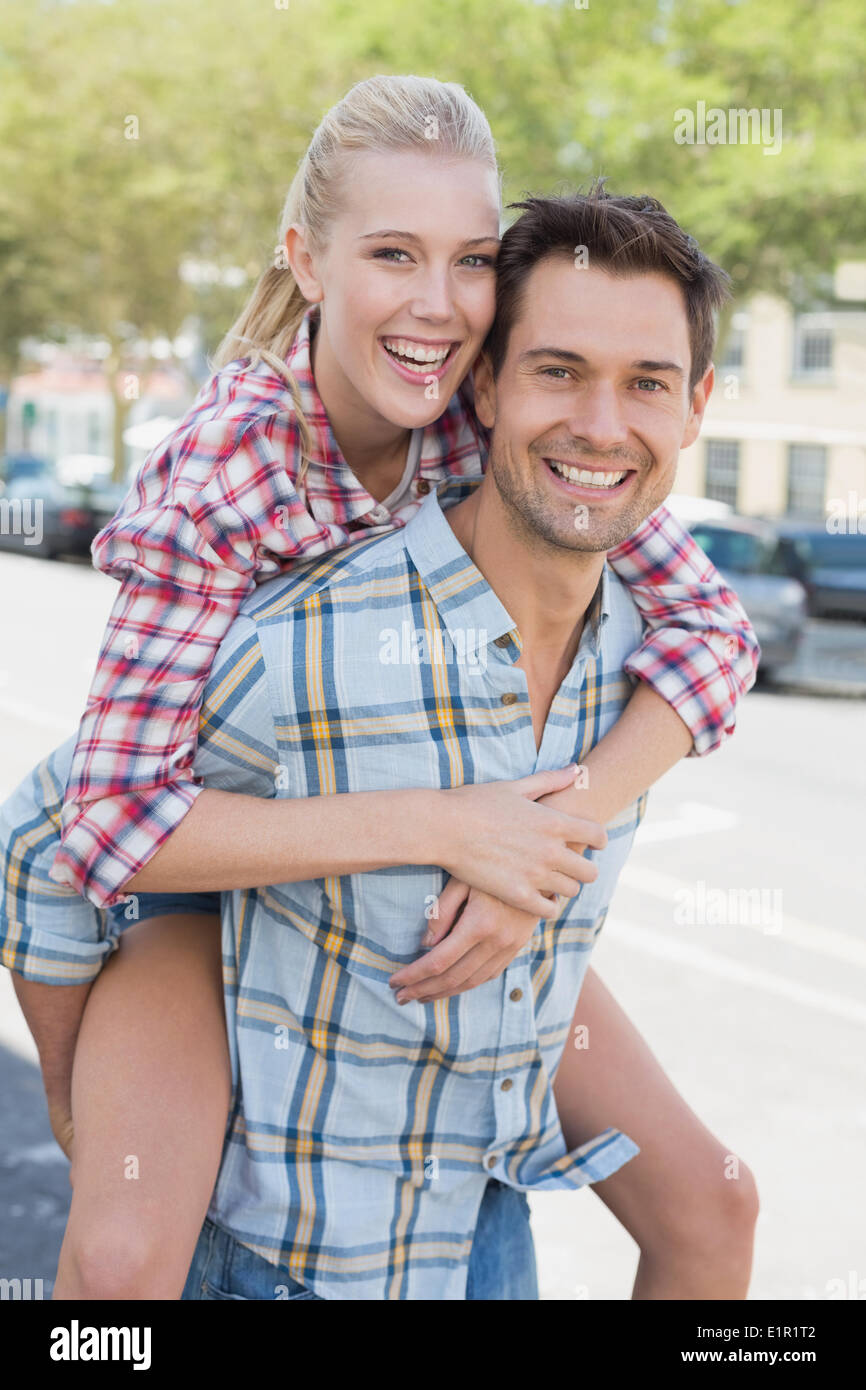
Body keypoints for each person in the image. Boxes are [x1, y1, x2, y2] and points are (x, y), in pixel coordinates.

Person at [1, 76, 758, 1299]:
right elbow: (105, 817)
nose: (436, 302)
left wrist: (545, 842)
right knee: (123, 1257)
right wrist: (447, 826)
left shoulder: (481, 411)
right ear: (304, 258)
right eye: (391, 254)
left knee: (710, 1199)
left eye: (469, 261)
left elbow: (712, 634)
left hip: (420, 876)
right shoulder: (223, 468)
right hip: (193, 881)